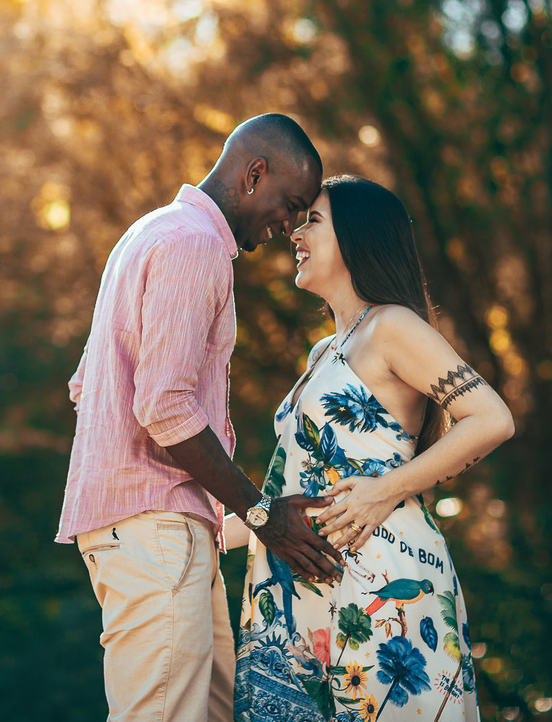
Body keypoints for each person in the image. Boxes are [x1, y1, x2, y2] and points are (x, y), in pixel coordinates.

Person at [57, 114, 346, 722]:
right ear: (253, 173)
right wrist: (263, 515)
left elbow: (90, 388)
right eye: (289, 204)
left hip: (158, 528)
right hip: (156, 529)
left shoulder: (152, 232)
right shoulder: (194, 246)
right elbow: (163, 407)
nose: (289, 224)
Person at [227, 175, 514, 722]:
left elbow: (492, 418)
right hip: (303, 580)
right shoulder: (322, 352)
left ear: (358, 238)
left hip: (385, 577)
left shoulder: (391, 326)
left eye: (313, 220)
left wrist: (386, 489)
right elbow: (290, 493)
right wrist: (192, 534)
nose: (294, 233)